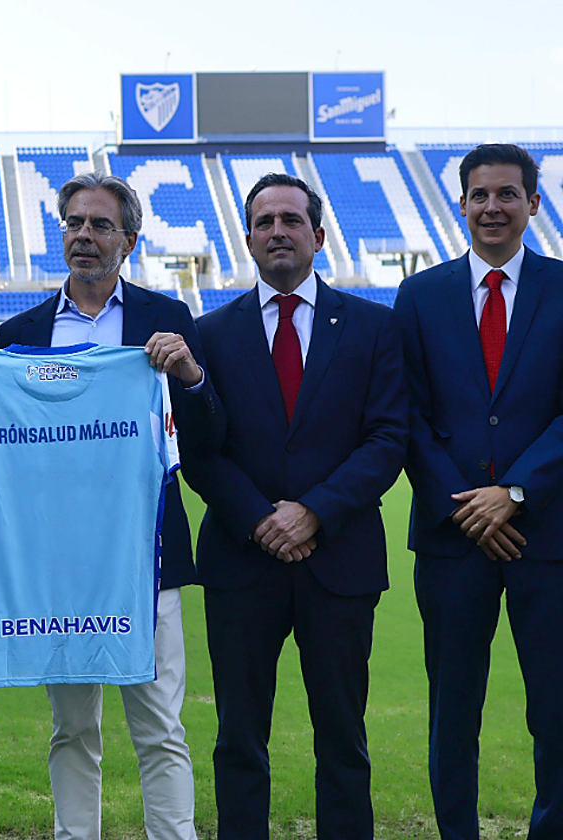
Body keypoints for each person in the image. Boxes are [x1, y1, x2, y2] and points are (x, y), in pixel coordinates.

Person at [0, 171, 220, 840]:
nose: (84, 236)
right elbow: (4, 450)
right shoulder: (20, 333)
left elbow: (208, 439)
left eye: (100, 225)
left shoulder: (168, 319)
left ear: (130, 240)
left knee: (160, 726)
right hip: (59, 564)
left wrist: (192, 377)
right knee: (71, 728)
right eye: (74, 223)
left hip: (147, 557)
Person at [184, 173, 408, 840]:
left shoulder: (373, 326)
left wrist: (313, 512)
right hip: (240, 561)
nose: (277, 231)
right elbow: (199, 450)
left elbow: (387, 439)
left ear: (319, 234)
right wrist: (260, 519)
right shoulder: (208, 334)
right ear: (247, 237)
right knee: (238, 738)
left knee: (343, 738)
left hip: (339, 561)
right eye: (264, 221)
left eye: (290, 219)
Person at [394, 143, 563, 840]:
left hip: (546, 539)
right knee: (453, 711)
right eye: (480, 195)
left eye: (507, 194)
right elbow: (405, 414)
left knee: (555, 710)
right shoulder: (420, 295)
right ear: (461, 203)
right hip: (452, 538)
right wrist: (468, 506)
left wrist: (516, 491)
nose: (493, 207)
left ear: (533, 203)